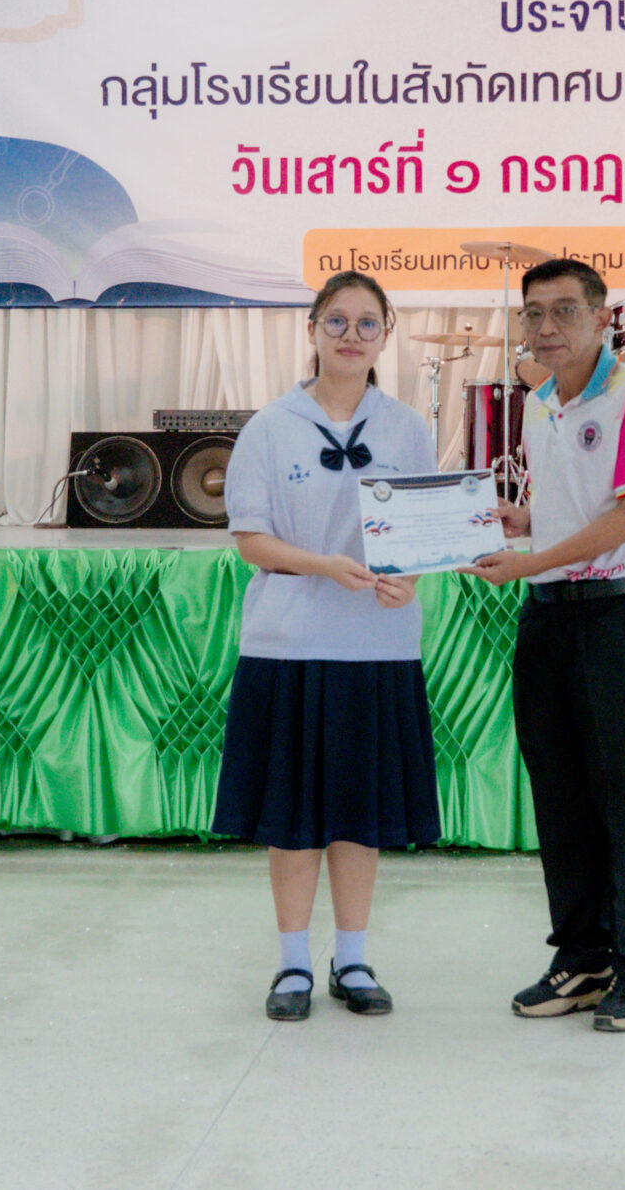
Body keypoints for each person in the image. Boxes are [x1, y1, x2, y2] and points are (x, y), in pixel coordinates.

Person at [211, 269, 441, 1020]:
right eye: (336, 321)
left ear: (386, 335)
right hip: (290, 644)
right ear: (312, 329)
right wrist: (323, 566)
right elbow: (251, 539)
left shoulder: (407, 427)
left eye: (367, 323)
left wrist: (409, 579)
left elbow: (422, 533)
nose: (351, 335)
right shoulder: (270, 427)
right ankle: (291, 965)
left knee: (359, 813)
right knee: (292, 817)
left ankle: (353, 957)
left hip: (378, 645)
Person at [466, 258, 625, 1032]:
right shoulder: (540, 401)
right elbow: (576, 504)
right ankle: (585, 958)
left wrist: (531, 560)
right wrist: (525, 520)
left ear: (601, 318)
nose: (546, 328)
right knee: (558, 796)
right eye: (533, 314)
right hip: (548, 617)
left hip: (616, 617)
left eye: (563, 312)